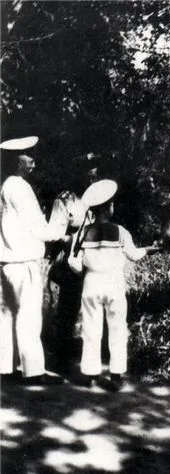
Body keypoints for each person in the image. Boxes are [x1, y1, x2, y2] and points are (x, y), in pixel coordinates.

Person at [68, 180, 154, 391]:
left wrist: (83, 272)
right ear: (108, 208)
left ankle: (91, 374)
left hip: (91, 283)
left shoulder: (83, 232)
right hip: (114, 283)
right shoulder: (120, 231)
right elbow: (134, 255)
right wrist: (150, 249)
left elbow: (74, 262)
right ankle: (116, 374)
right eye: (112, 204)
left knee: (91, 328)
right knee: (117, 327)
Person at [0, 136, 67, 385]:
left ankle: (6, 369)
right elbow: (40, 228)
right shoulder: (21, 188)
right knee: (29, 315)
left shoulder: (5, 186)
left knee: (7, 315)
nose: (34, 163)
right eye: (30, 158)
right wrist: (62, 227)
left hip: (7, 261)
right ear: (18, 161)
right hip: (25, 260)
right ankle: (33, 372)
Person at [47, 153, 100, 374]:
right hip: (68, 262)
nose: (91, 180)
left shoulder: (95, 198)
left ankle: (87, 354)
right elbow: (54, 232)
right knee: (67, 308)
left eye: (94, 175)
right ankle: (61, 357)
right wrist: (72, 238)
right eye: (88, 174)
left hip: (89, 260)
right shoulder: (64, 199)